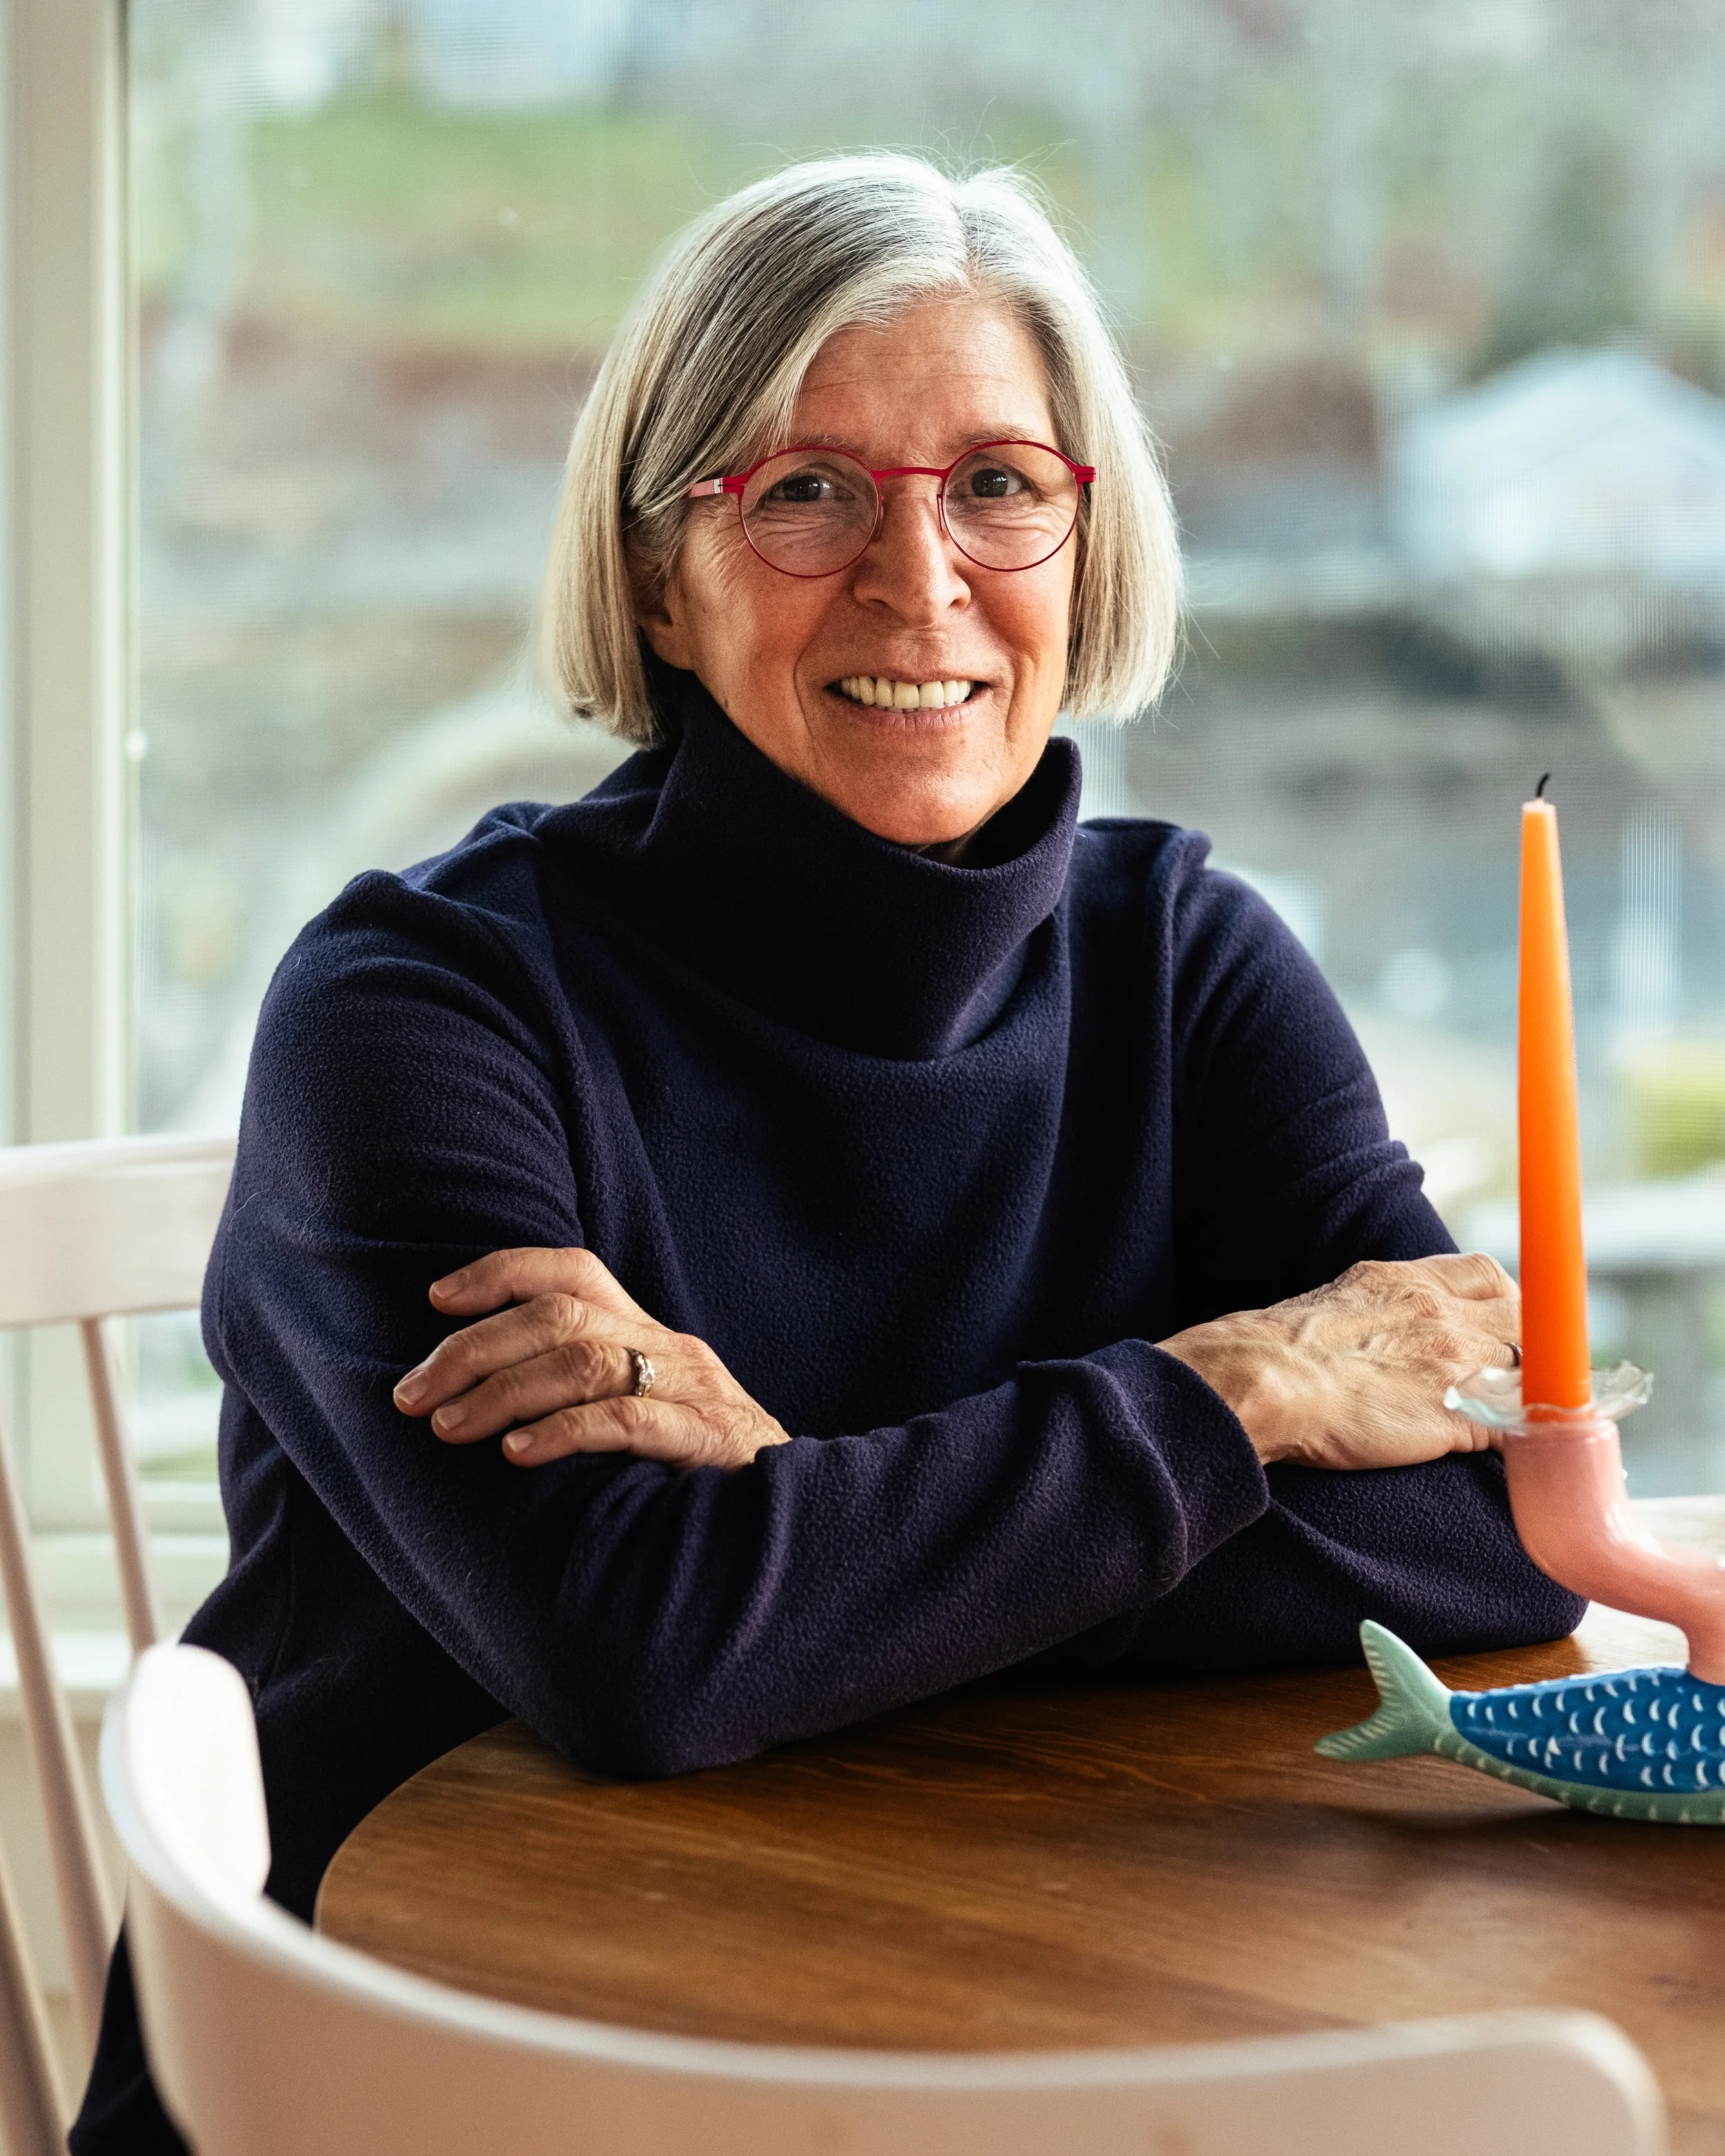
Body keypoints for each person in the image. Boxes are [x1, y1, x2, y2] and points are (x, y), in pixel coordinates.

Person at [74, 152, 1574, 2151]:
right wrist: (1233, 1394)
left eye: (998, 483)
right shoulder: (413, 1005)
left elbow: (1486, 1535)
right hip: (425, 2058)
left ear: (1084, 537)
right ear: (649, 576)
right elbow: (639, 1654)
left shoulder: (1187, 960)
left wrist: (805, 1517)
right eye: (801, 491)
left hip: (993, 1996)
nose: (919, 577)